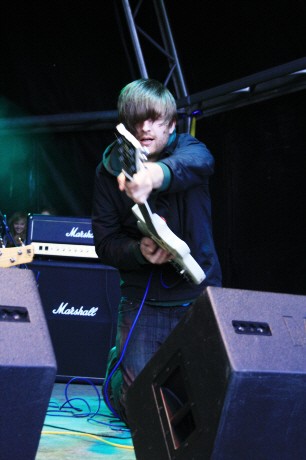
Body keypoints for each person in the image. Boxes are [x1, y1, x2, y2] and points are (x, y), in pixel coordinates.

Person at [92, 78, 222, 425]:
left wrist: (154, 175)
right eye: (136, 119)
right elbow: (104, 243)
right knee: (143, 414)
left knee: (203, 408)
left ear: (172, 125)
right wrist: (139, 250)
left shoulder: (192, 150)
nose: (145, 127)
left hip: (196, 296)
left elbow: (197, 163)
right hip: (142, 301)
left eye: (154, 119)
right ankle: (117, 370)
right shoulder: (108, 171)